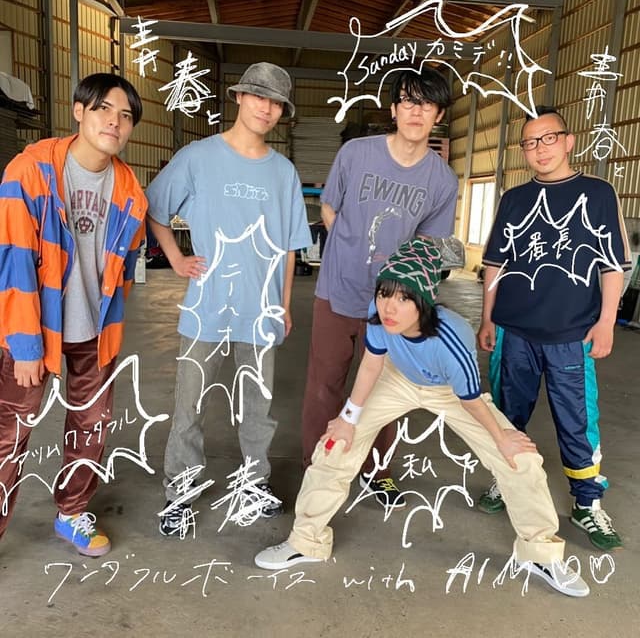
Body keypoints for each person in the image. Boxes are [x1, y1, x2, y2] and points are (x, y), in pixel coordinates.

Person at [254, 239, 589, 598]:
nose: (389, 306)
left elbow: (471, 400)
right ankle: (306, 542)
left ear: (424, 300)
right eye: (384, 293)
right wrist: (348, 419)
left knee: (520, 460)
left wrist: (502, 438)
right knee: (335, 444)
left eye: (403, 298)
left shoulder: (452, 339)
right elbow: (371, 364)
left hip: (448, 390)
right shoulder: (379, 313)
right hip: (396, 377)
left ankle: (540, 554)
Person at [146, 62, 312, 537]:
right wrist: (177, 259)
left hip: (259, 311)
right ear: (238, 97)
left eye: (276, 103)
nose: (266, 108)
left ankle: (254, 484)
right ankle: (180, 492)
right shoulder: (198, 157)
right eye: (258, 96)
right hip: (206, 308)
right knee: (190, 405)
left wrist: (283, 304)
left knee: (258, 408)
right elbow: (155, 208)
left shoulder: (283, 172)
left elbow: (288, 247)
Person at [0, 73, 146, 556]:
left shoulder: (130, 191)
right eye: (104, 109)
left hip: (95, 329)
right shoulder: (29, 171)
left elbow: (124, 269)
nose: (114, 122)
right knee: (11, 431)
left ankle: (72, 513)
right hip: (34, 325)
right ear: (79, 111)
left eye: (125, 116)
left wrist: (109, 324)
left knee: (92, 424)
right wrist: (25, 344)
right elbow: (14, 260)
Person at [302, 68, 458, 509]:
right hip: (338, 291)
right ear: (393, 109)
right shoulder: (356, 153)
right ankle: (317, 467)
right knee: (324, 386)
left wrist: (403, 299)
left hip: (394, 305)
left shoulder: (442, 180)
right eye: (407, 101)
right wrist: (349, 254)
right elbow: (329, 210)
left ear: (438, 115)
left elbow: (427, 246)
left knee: (385, 391)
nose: (416, 112)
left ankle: (378, 471)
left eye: (426, 104)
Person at [476, 106, 631, 551]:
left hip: (571, 334)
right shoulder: (514, 199)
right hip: (514, 331)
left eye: (548, 138)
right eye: (530, 142)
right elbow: (495, 264)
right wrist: (487, 318)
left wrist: (606, 322)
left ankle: (587, 502)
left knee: (577, 422)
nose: (539, 149)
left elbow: (613, 265)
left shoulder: (597, 194)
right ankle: (506, 480)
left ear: (568, 141)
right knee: (507, 414)